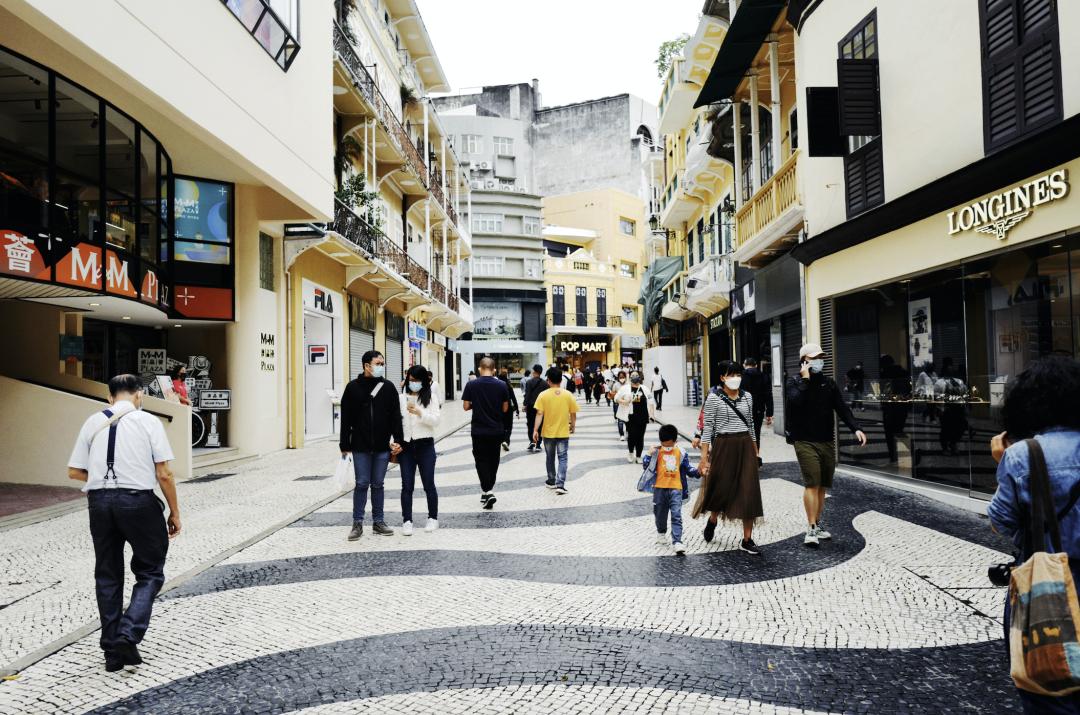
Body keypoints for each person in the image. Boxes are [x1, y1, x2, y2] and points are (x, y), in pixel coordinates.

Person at [67, 374, 180, 672]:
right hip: (138, 501)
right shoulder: (148, 421)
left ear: (110, 397)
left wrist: (102, 479)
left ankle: (112, 653)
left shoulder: (92, 422)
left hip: (99, 503)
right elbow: (164, 474)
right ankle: (128, 634)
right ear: (139, 395)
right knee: (151, 571)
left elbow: (74, 472)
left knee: (107, 573)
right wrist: (174, 512)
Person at [987, 356, 1080, 713]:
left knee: (1047, 685)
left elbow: (1002, 522)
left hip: (1047, 587)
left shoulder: (1024, 456)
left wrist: (1002, 462)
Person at [786, 344, 867, 548]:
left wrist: (855, 428)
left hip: (826, 440)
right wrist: (805, 379)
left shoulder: (828, 383)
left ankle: (817, 523)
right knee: (811, 483)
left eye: (821, 357)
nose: (819, 361)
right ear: (804, 360)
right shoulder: (794, 382)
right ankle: (811, 527)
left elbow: (841, 407)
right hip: (804, 440)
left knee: (822, 486)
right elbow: (796, 403)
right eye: (814, 358)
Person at [693, 361, 763, 555]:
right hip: (723, 446)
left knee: (749, 491)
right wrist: (704, 459)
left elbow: (751, 426)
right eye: (731, 375)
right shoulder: (714, 399)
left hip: (745, 445)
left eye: (738, 374)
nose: (735, 379)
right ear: (722, 378)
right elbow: (708, 430)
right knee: (722, 488)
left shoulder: (747, 397)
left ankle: (747, 539)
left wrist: (756, 452)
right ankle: (713, 519)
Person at [340, 350, 404, 541]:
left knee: (378, 484)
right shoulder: (352, 388)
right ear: (367, 366)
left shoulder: (388, 387)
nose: (381, 366)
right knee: (361, 484)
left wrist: (398, 439)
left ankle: (378, 522)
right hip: (360, 446)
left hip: (382, 447)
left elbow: (395, 416)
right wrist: (344, 443)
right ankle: (357, 524)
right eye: (378, 363)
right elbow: (346, 419)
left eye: (382, 363)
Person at [640, 423, 701, 554]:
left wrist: (699, 472)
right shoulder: (657, 452)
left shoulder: (681, 452)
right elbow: (646, 467)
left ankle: (677, 541)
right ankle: (661, 533)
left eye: (669, 446)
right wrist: (649, 455)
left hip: (676, 488)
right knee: (659, 514)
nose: (667, 448)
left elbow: (688, 469)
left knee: (676, 515)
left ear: (675, 441)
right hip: (659, 488)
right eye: (664, 445)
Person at [398, 365, 440, 536]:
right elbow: (396, 422)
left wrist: (420, 412)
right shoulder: (401, 398)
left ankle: (433, 518)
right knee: (407, 486)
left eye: (416, 380)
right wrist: (395, 442)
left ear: (424, 381)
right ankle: (407, 520)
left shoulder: (431, 398)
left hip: (425, 446)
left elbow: (436, 421)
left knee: (428, 484)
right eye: (411, 380)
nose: (413, 383)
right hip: (407, 447)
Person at [462, 357, 509, 510]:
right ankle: (487, 490)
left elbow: (466, 406)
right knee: (494, 460)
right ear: (494, 369)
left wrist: (478, 403)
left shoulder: (471, 384)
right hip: (496, 430)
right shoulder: (502, 385)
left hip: (479, 430)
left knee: (481, 460)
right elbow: (505, 408)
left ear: (479, 369)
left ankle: (487, 490)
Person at [532, 367, 580, 495]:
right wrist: (573, 425)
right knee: (563, 458)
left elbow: (539, 414)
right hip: (563, 432)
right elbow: (573, 413)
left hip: (548, 433)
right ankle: (560, 484)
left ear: (548, 380)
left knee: (550, 457)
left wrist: (535, 430)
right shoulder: (568, 395)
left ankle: (552, 480)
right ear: (560, 380)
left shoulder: (543, 395)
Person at [617, 372, 655, 463]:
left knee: (640, 436)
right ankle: (630, 453)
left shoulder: (645, 388)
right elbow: (616, 398)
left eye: (636, 376)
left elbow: (651, 402)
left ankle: (638, 456)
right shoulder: (625, 388)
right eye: (632, 376)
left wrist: (652, 415)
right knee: (631, 436)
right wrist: (623, 401)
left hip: (642, 416)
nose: (634, 377)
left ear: (639, 377)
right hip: (630, 416)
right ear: (630, 378)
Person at [741, 358, 774, 459]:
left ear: (744, 365)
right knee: (756, 434)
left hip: (742, 410)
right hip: (758, 410)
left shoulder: (740, 376)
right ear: (756, 365)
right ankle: (755, 457)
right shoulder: (764, 376)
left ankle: (745, 459)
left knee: (742, 434)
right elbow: (768, 395)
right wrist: (769, 413)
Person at [523, 364, 547, 453]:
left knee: (530, 424)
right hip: (540, 407)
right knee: (539, 424)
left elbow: (527, 394)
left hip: (530, 407)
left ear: (534, 371)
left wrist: (525, 404)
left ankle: (532, 441)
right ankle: (538, 444)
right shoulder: (545, 383)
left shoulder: (529, 382)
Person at [498, 369, 520, 451]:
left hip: (499, 408)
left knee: (502, 425)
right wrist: (517, 409)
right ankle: (506, 441)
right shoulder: (508, 384)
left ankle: (502, 440)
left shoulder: (497, 384)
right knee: (509, 426)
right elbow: (513, 398)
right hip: (509, 408)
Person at [608, 369, 628, 440]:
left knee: (627, 419)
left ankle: (627, 432)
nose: (622, 378)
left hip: (626, 404)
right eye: (620, 377)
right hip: (617, 403)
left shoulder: (628, 384)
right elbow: (612, 394)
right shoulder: (616, 385)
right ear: (618, 377)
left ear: (625, 377)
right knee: (620, 420)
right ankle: (621, 435)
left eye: (623, 377)